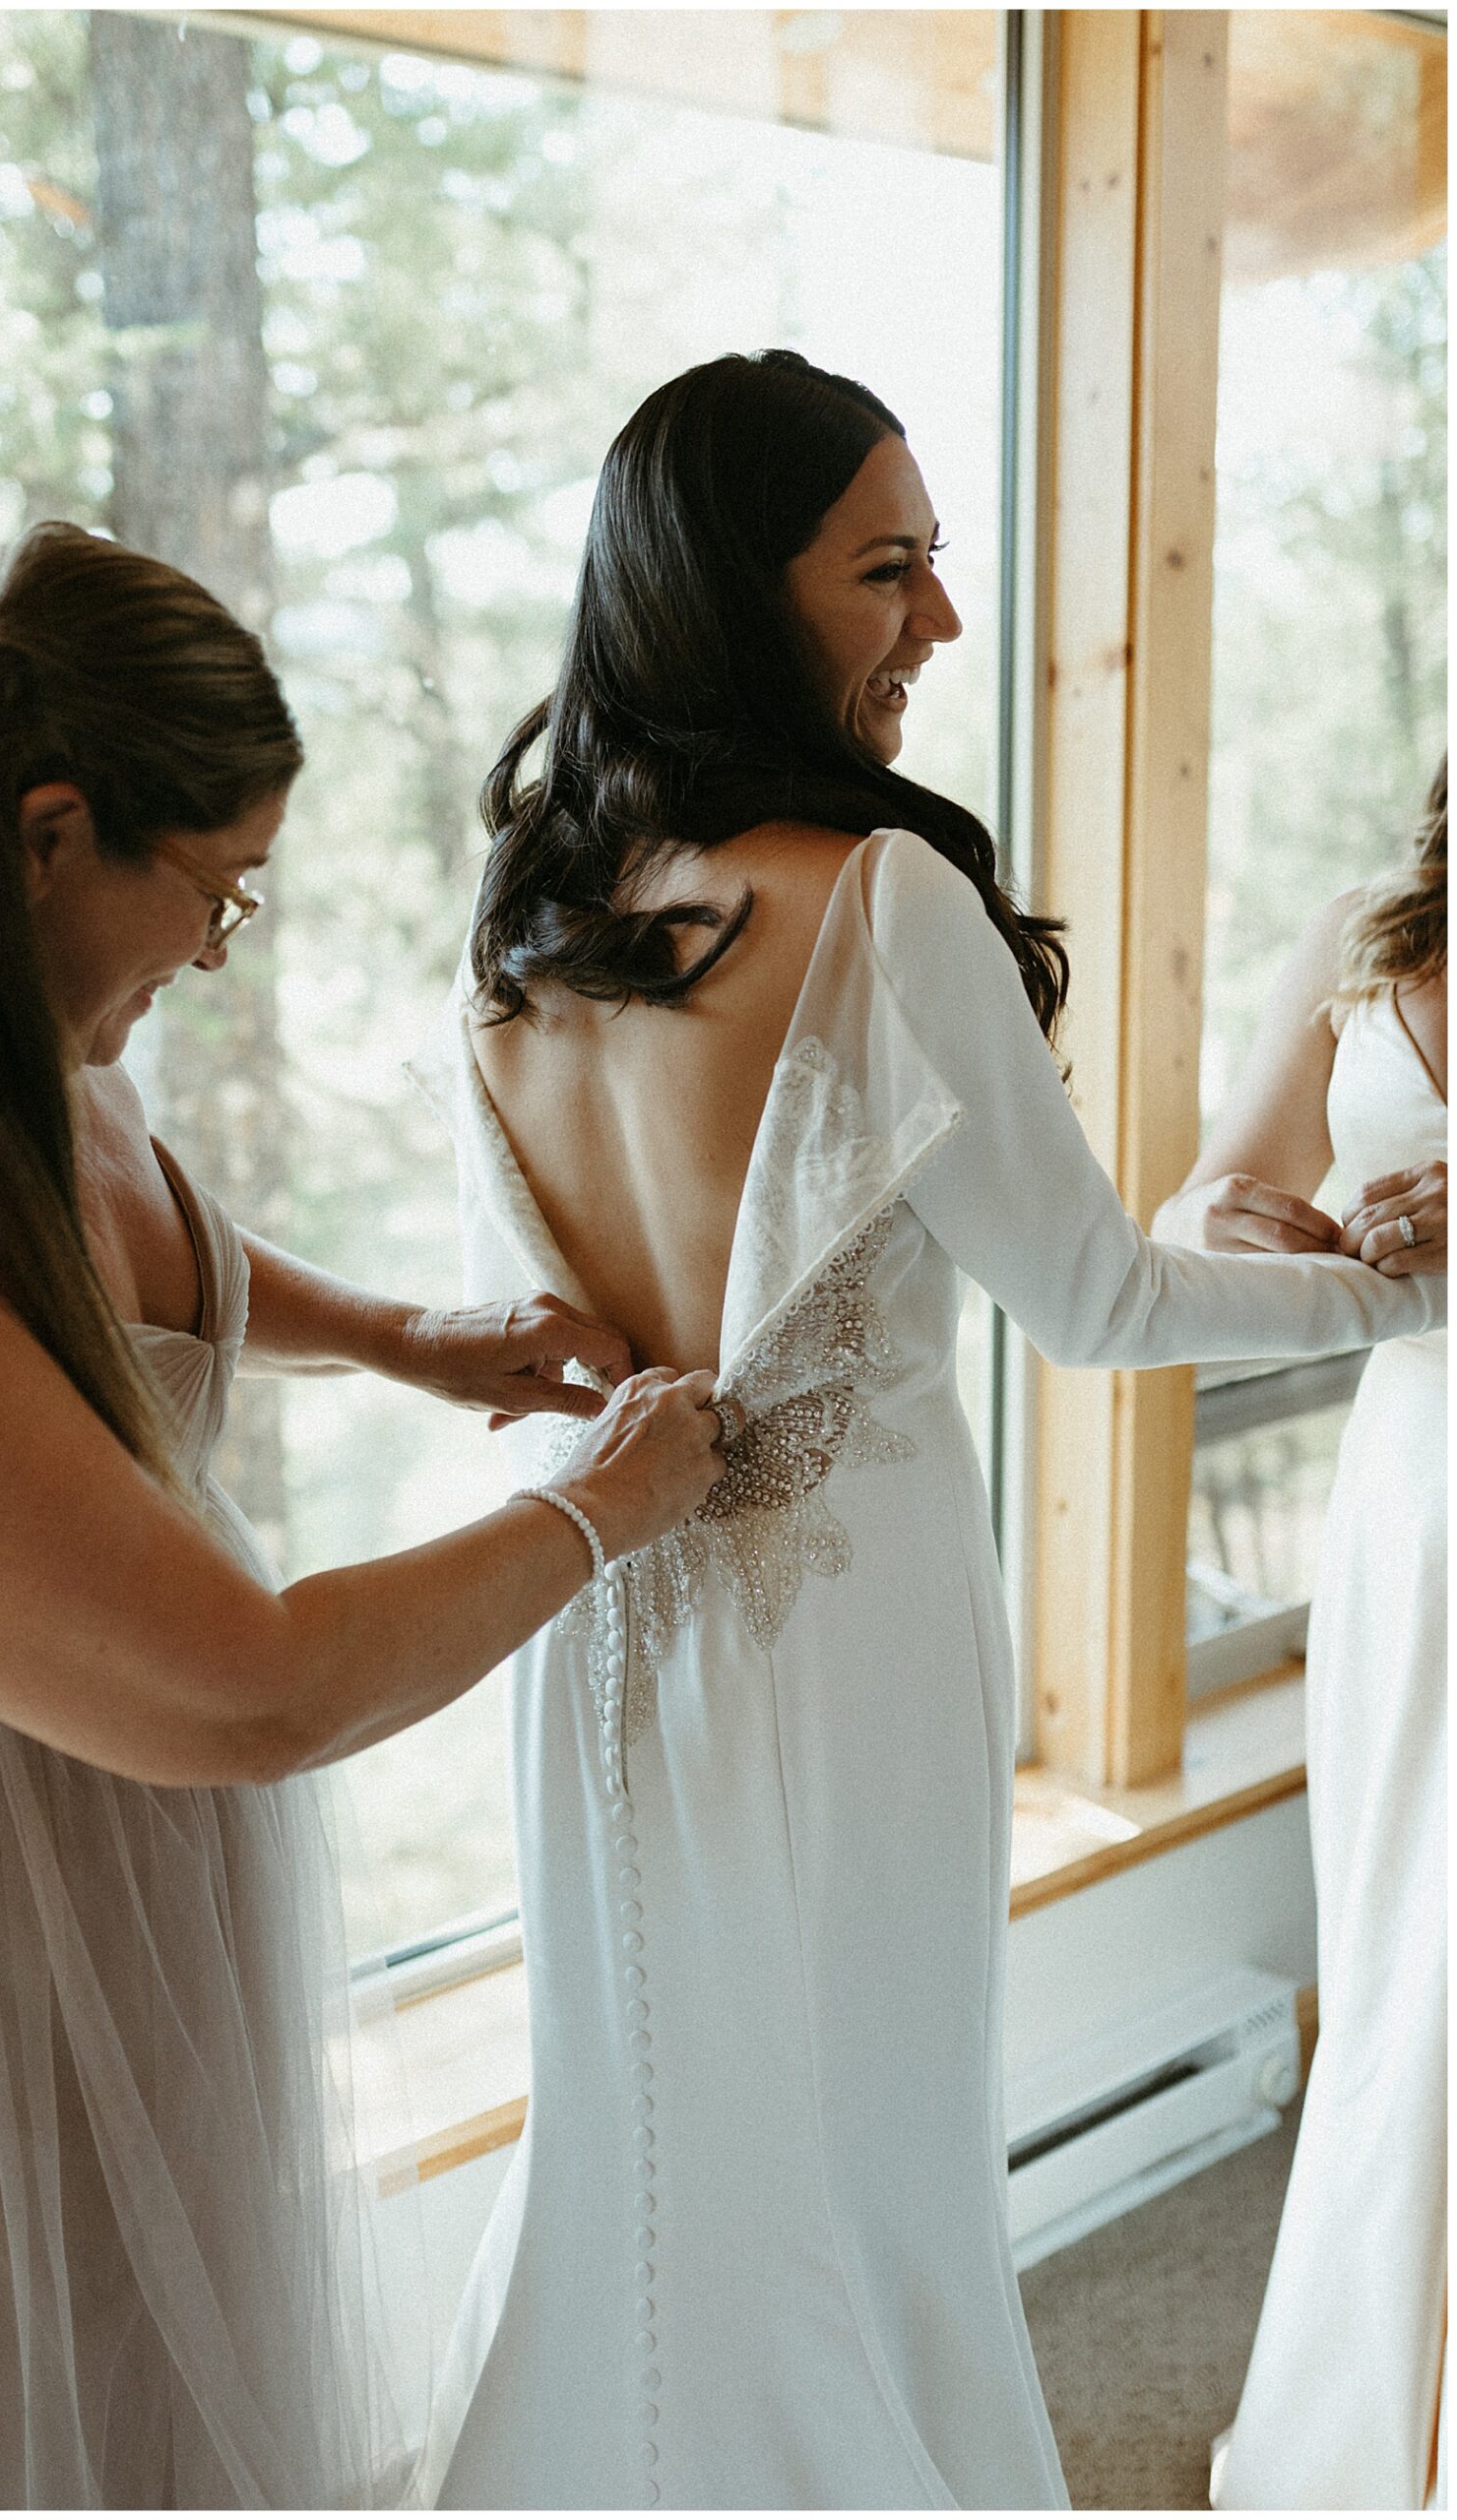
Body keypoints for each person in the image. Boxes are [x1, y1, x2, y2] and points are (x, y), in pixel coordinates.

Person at [406, 349, 1446, 2511]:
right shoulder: (876, 900)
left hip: (595, 1616)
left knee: (641, 2133)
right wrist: (1393, 1273)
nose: (940, 625)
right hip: (850, 1632)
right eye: (890, 569)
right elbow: (1099, 1300)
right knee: (868, 2140)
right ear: (726, 588)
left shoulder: (520, 910)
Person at [0, 521, 726, 2510]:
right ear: (51, 832)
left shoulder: (3, 1011)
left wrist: (407, 1335)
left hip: (109, 1893)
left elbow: (115, 1251)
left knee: (158, 2386)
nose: (221, 946)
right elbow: (250, 1688)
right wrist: (598, 1514)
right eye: (213, 889)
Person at [1156, 762, 1446, 2512]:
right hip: (1418, 1505)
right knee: (1409, 1959)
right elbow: (1212, 1189)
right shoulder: (1358, 939)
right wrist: (1237, 1224)